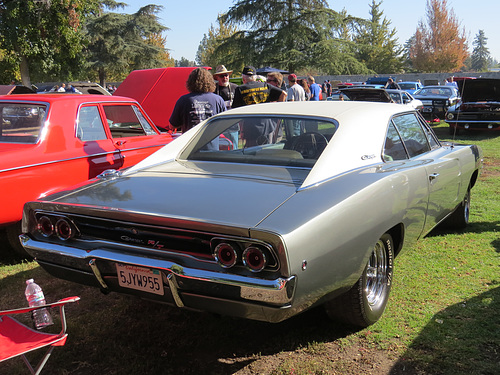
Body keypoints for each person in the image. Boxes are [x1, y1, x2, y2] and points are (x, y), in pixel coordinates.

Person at [169, 67, 226, 150]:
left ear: (190, 82)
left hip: (189, 150)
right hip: (212, 149)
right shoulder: (218, 100)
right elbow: (225, 124)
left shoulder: (183, 100)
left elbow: (172, 125)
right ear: (210, 82)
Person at [232, 66, 286, 146]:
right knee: (267, 151)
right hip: (267, 126)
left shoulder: (240, 89)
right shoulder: (265, 86)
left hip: (250, 128)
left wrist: (242, 131)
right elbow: (284, 94)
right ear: (255, 77)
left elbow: (237, 112)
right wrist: (276, 110)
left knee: (252, 153)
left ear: (243, 79)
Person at [213, 64, 239, 148]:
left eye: (226, 75)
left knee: (234, 149)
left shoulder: (236, 88)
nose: (225, 78)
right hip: (218, 126)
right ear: (217, 77)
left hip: (233, 125)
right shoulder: (213, 90)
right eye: (221, 76)